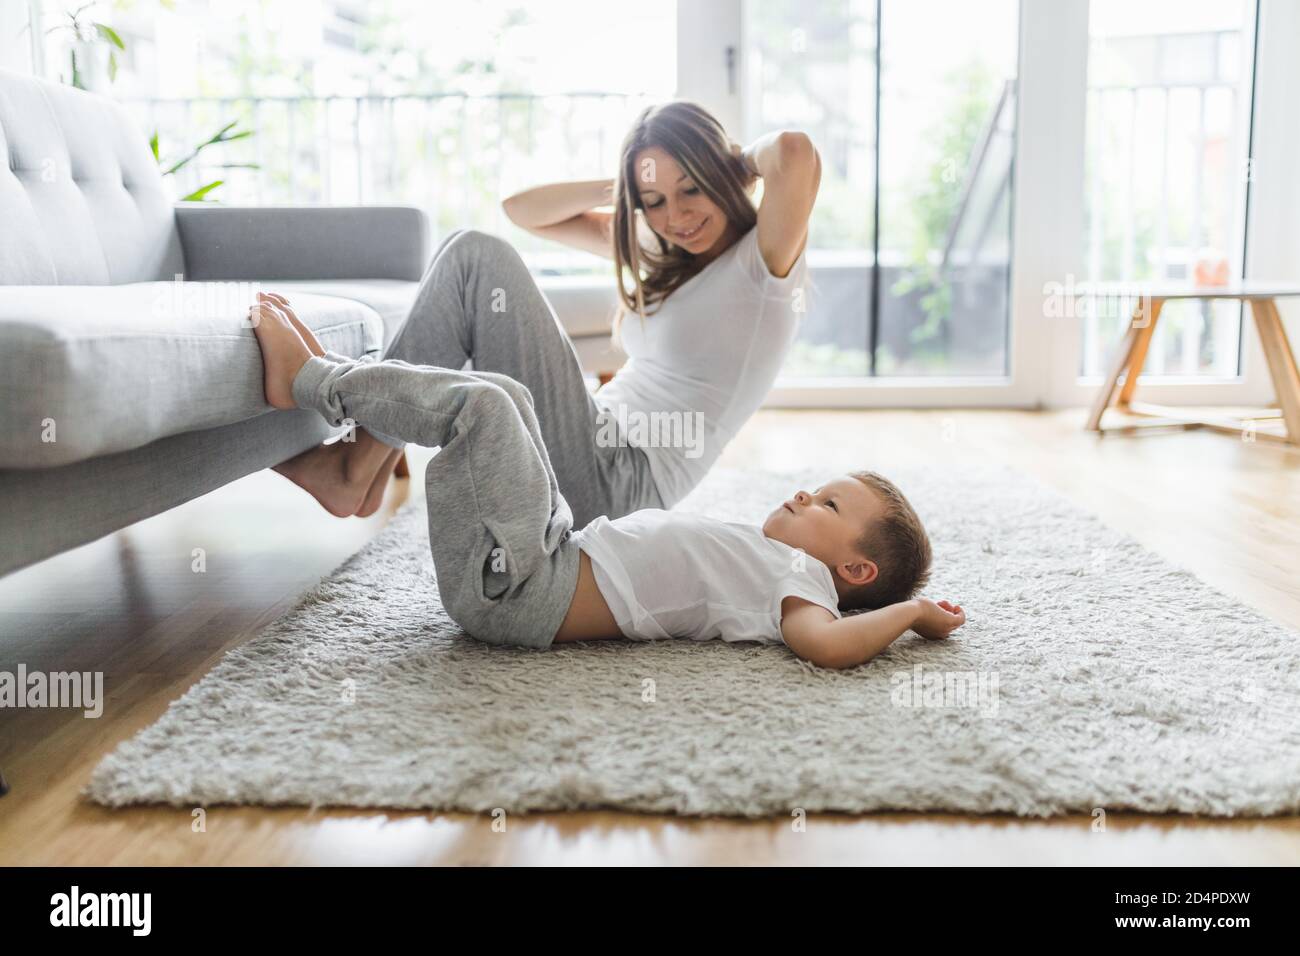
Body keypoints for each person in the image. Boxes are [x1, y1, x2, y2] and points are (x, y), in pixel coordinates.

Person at [249, 292, 966, 670]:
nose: (807, 494)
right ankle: (336, 394)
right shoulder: (776, 560)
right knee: (511, 393)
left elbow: (828, 648)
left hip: (522, 592)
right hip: (554, 546)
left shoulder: (805, 589)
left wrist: (910, 614)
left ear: (855, 567)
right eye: (819, 485)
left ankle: (314, 381)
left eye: (829, 503)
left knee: (489, 407)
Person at [271, 101, 822, 530]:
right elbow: (523, 210)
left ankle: (355, 466)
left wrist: (730, 160)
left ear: (721, 175)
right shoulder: (663, 246)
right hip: (593, 444)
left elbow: (794, 152)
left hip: (618, 485)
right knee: (469, 254)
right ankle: (363, 470)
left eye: (692, 189)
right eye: (653, 201)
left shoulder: (763, 263)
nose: (675, 216)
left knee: (475, 259)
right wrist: (633, 184)